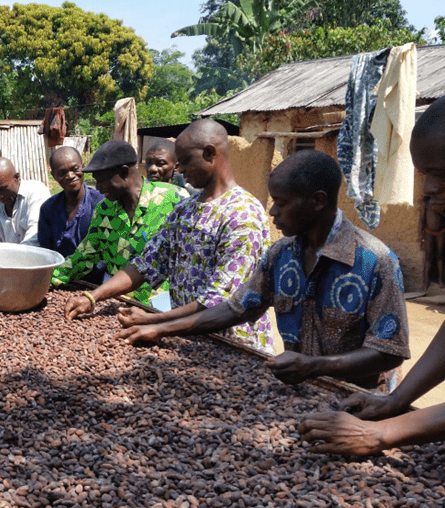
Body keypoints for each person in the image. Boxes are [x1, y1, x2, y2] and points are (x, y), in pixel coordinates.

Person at [117, 150, 409, 390]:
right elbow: (235, 309)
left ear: (317, 201)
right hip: (301, 388)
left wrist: (314, 366)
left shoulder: (375, 262)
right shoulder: (282, 255)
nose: (272, 212)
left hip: (361, 396)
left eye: (281, 203)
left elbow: (388, 352)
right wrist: (160, 328)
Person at [296, 96, 445, 456]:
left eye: (443, 175)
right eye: (425, 176)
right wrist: (396, 401)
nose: (428, 190)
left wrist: (382, 434)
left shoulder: (373, 259)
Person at [65, 120, 275, 354]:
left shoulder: (243, 214)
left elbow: (220, 304)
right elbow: (145, 265)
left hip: (232, 346)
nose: (180, 170)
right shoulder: (185, 209)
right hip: (186, 339)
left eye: (185, 161)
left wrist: (156, 321)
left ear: (209, 153)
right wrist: (92, 297)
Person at [50, 141, 185, 302]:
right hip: (120, 302)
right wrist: (43, 280)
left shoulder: (174, 199)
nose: (98, 188)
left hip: (164, 304)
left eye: (102, 181)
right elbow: (84, 256)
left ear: (124, 172)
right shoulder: (104, 210)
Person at [38, 146, 105, 261]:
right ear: (54, 175)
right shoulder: (48, 209)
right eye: (62, 173)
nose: (70, 176)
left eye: (75, 169)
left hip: (95, 276)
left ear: (83, 167)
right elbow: (46, 252)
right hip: (59, 274)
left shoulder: (101, 203)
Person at [0, 157, 51, 246]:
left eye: (3, 189)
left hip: (38, 257)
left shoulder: (36, 192)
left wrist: (18, 257)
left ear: (17, 178)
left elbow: (34, 235)